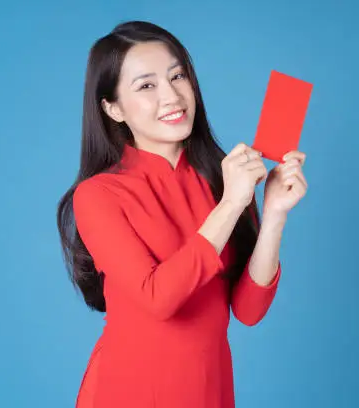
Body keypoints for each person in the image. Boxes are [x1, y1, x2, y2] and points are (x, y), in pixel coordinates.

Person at [56, 20, 308, 408]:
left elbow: (248, 310)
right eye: (146, 85)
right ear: (113, 108)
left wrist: (273, 214)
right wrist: (231, 205)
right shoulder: (98, 195)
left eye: (178, 76)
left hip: (210, 388)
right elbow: (158, 299)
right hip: (131, 390)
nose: (172, 96)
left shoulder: (223, 178)